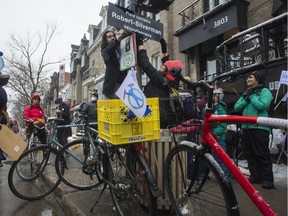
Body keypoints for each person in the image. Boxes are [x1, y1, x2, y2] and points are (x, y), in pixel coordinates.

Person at [234, 71, 274, 189]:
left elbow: (262, 106)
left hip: (260, 127)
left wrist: (251, 97)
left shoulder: (265, 92)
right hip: (246, 127)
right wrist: (247, 98)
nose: (248, 79)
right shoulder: (247, 93)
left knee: (262, 153)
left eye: (250, 77)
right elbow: (237, 107)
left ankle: (267, 179)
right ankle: (255, 176)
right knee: (249, 153)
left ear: (258, 79)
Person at [137, 37, 184, 128]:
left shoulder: (160, 80)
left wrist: (140, 43)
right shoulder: (171, 81)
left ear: (167, 71)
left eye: (163, 66)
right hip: (166, 117)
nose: (161, 66)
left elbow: (145, 64)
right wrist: (164, 50)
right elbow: (169, 66)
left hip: (157, 117)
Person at [101, 30, 129, 99]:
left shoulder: (118, 48)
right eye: (109, 37)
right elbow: (108, 50)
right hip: (112, 85)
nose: (112, 38)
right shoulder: (105, 50)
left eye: (113, 36)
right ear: (105, 40)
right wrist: (119, 39)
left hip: (122, 82)